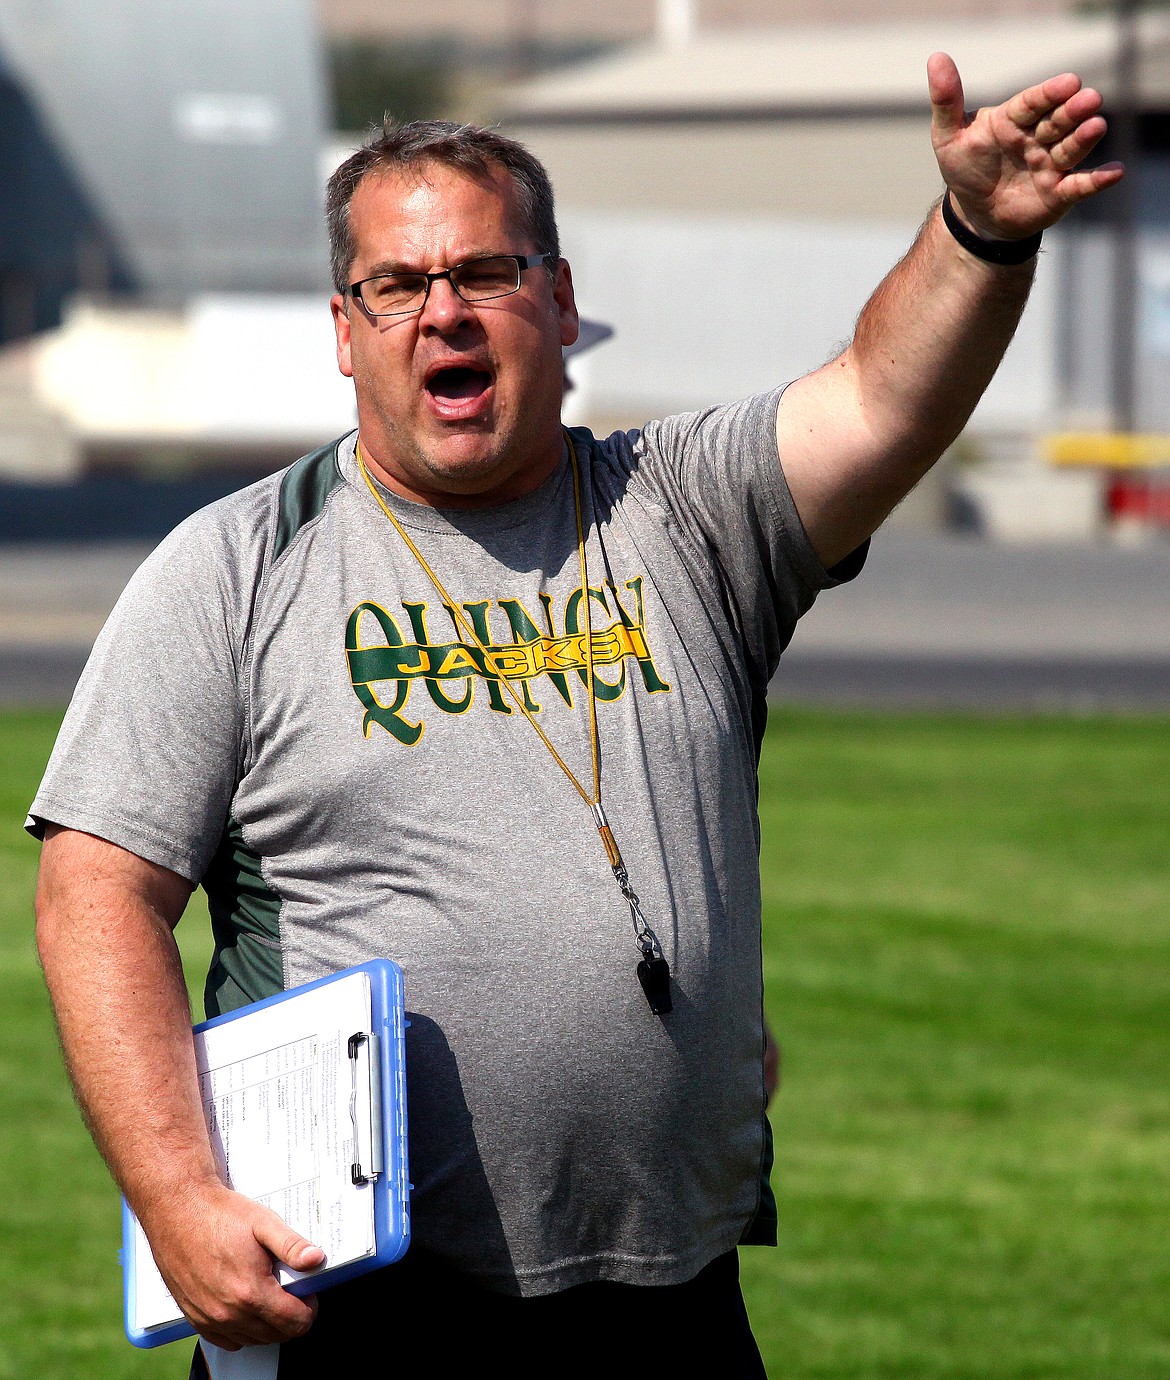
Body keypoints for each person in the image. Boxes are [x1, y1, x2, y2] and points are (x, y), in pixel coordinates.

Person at [31, 53, 1119, 1377]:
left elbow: (882, 399)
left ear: (554, 301)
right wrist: (177, 1195)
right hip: (353, 1299)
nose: (443, 313)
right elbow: (96, 892)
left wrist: (977, 233)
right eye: (397, 285)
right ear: (343, 327)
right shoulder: (235, 568)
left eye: (483, 274)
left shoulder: (684, 507)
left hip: (669, 1283)